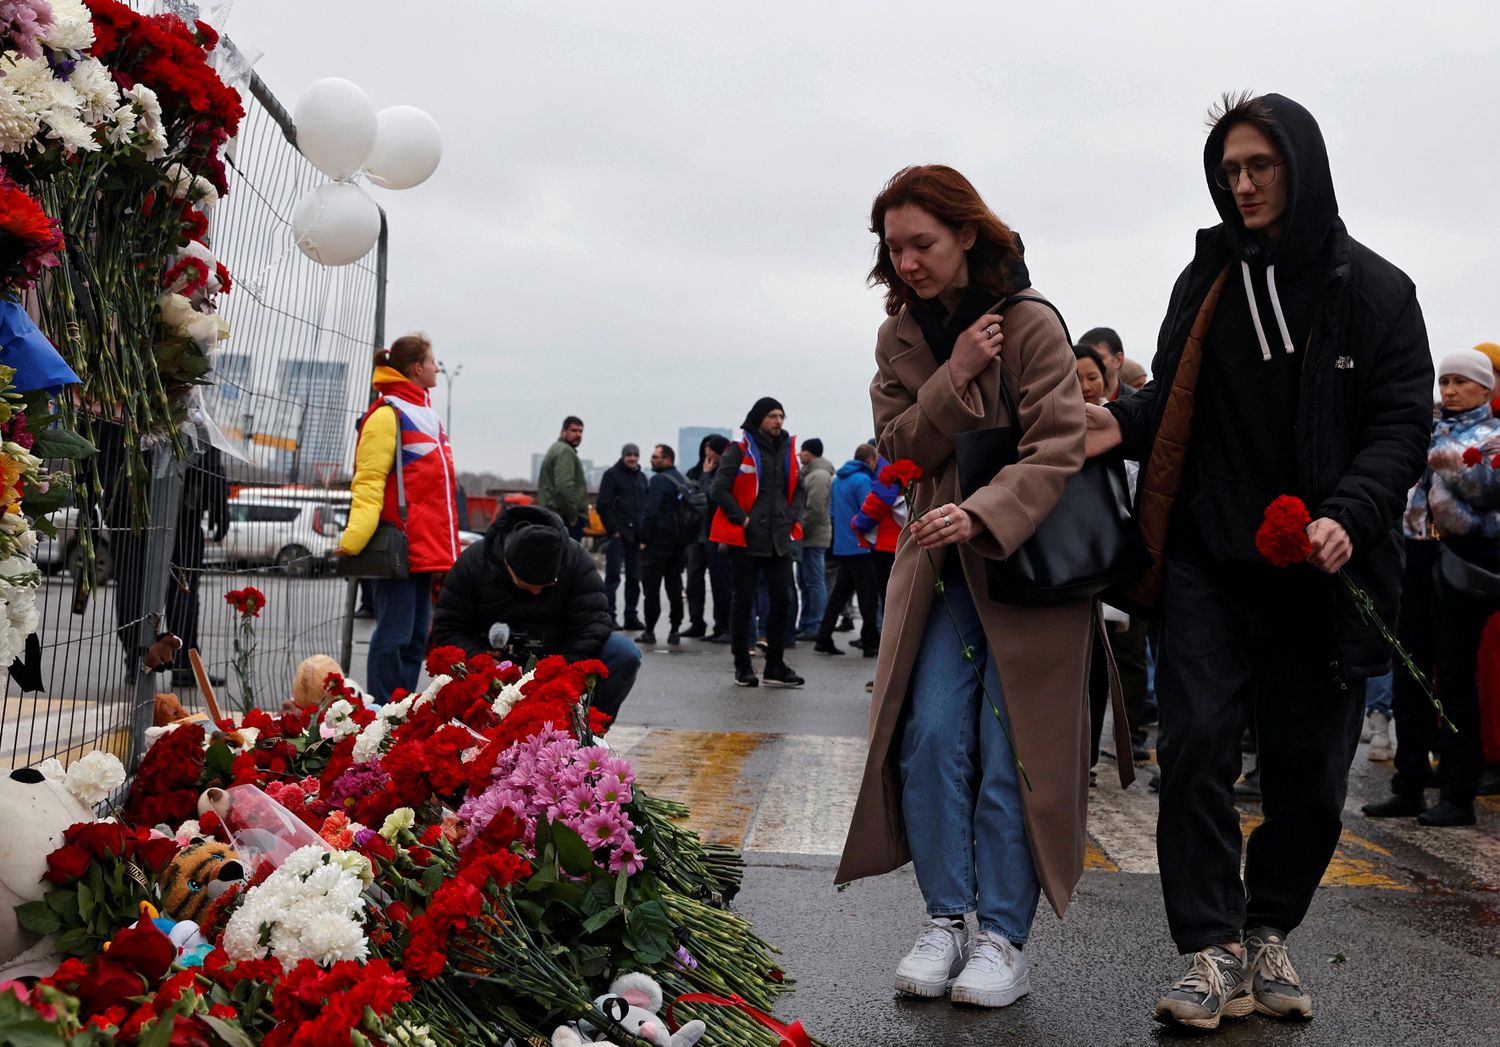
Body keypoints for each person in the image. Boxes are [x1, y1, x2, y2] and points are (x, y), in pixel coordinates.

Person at [1085, 93, 1432, 1029]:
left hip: (1328, 574)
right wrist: (1108, 425)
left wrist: (1349, 516)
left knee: (1309, 775)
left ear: (1301, 166)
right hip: (1208, 562)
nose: (1240, 185)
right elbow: (1169, 406)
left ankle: (1270, 925)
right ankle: (1211, 945)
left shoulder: (1377, 291)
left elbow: (1403, 424)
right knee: (1194, 744)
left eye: (1259, 167)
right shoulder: (1206, 282)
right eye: (1229, 170)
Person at [836, 164, 1092, 1011]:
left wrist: (981, 514)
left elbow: (1059, 445)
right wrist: (954, 375)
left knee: (1009, 748)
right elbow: (898, 448)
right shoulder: (898, 339)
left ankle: (1002, 936)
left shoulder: (1030, 323)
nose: (906, 262)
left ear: (966, 235)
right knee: (932, 734)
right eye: (894, 247)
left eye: (923, 243)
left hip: (1024, 564)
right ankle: (946, 916)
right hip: (938, 569)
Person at [1362, 349, 1500, 828]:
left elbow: (1488, 490)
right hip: (1415, 557)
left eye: (1462, 381)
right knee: (1409, 671)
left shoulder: (1493, 435)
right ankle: (1409, 784)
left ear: (1486, 388)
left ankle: (1459, 791)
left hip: (1461, 560)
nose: (1450, 390)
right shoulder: (1428, 428)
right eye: (1445, 381)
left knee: (1455, 677)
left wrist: (1452, 465)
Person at [338, 334, 462, 704]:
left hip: (424, 547)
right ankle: (381, 711)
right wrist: (353, 539)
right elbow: (369, 479)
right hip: (400, 546)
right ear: (416, 368)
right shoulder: (387, 413)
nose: (437, 367)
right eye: (432, 361)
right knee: (393, 636)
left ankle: (402, 708)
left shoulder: (426, 414)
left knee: (413, 638)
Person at [430, 504, 639, 719]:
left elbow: (593, 625)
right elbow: (448, 627)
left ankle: (589, 729)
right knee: (450, 661)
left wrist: (559, 671)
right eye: (526, 585)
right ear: (507, 564)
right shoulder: (474, 563)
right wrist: (478, 659)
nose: (537, 592)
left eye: (546, 586)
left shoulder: (575, 560)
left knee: (623, 653)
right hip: (493, 663)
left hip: (559, 656)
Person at [709, 397, 806, 688]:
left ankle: (775, 665)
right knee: (744, 602)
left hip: (779, 539)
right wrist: (743, 519)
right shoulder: (739, 451)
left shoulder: (788, 452)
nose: (778, 421)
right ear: (758, 418)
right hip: (748, 540)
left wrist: (791, 517)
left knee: (782, 601)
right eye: (772, 416)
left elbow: (799, 489)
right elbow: (719, 489)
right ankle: (743, 666)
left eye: (781, 416)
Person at [813, 445, 878, 657]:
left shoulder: (838, 480)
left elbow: (832, 512)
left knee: (839, 595)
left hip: (843, 544)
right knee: (868, 596)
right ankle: (870, 642)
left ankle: (823, 638)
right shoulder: (863, 480)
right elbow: (869, 512)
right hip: (861, 545)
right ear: (870, 459)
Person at [637, 444, 691, 646]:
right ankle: (675, 630)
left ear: (667, 459)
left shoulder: (659, 480)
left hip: (657, 544)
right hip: (678, 544)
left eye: (655, 457)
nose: (651, 460)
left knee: (651, 589)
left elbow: (651, 512)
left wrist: (643, 538)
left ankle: (649, 630)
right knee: (675, 588)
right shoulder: (683, 480)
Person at [683, 434, 731, 641]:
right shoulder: (694, 472)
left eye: (711, 449)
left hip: (716, 534)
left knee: (720, 582)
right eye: (705, 448)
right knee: (693, 581)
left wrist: (706, 476)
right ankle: (696, 622)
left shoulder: (725, 473)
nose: (707, 453)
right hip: (697, 534)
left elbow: (710, 496)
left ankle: (722, 626)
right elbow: (691, 497)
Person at [597, 444, 648, 631]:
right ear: (623, 456)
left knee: (634, 578)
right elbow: (603, 504)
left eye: (636, 454)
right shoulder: (612, 475)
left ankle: (631, 615)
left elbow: (645, 507)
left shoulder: (642, 478)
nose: (633, 458)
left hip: (635, 536)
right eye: (629, 454)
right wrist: (613, 530)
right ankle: (609, 615)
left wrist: (643, 535)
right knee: (612, 577)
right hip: (618, 534)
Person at [795, 438, 834, 640]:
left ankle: (815, 623)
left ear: (810, 453)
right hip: (808, 536)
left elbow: (815, 509)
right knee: (804, 581)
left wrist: (798, 529)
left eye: (802, 451)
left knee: (814, 582)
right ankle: (806, 622)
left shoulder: (818, 476)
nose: (799, 454)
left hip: (813, 536)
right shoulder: (810, 474)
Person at [537, 416, 589, 540]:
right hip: (563, 518)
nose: (578, 434)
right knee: (568, 556)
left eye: (580, 431)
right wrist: (573, 516)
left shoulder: (556, 449)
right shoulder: (565, 452)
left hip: (553, 515)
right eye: (574, 430)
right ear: (563, 432)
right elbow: (564, 487)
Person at [1079, 326, 1133, 401]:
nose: (1089, 364)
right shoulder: (1067, 403)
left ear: (1118, 360)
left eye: (1097, 358)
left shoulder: (1137, 405)